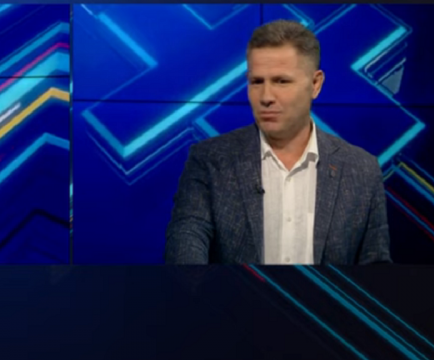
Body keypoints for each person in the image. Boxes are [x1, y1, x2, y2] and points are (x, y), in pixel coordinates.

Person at [165, 19, 391, 265]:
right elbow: (185, 251)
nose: (266, 97)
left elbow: (375, 271)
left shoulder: (362, 170)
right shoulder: (210, 161)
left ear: (315, 84)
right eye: (257, 82)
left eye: (281, 81)